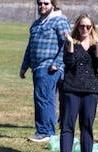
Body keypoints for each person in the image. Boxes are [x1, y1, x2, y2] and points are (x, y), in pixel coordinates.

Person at [58, 15, 98, 152]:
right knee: (67, 126)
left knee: (87, 126)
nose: (84, 29)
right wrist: (71, 44)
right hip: (71, 89)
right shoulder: (71, 42)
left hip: (90, 91)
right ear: (77, 26)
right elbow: (69, 63)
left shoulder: (95, 44)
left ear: (92, 27)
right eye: (81, 26)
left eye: (88, 26)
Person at [20, 0, 70, 143]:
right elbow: (30, 47)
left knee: (44, 98)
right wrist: (24, 66)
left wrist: (57, 63)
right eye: (40, 3)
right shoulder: (36, 24)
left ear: (52, 5)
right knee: (43, 97)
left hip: (49, 66)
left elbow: (67, 43)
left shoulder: (59, 21)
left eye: (46, 3)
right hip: (37, 66)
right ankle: (50, 129)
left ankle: (45, 132)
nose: (42, 6)